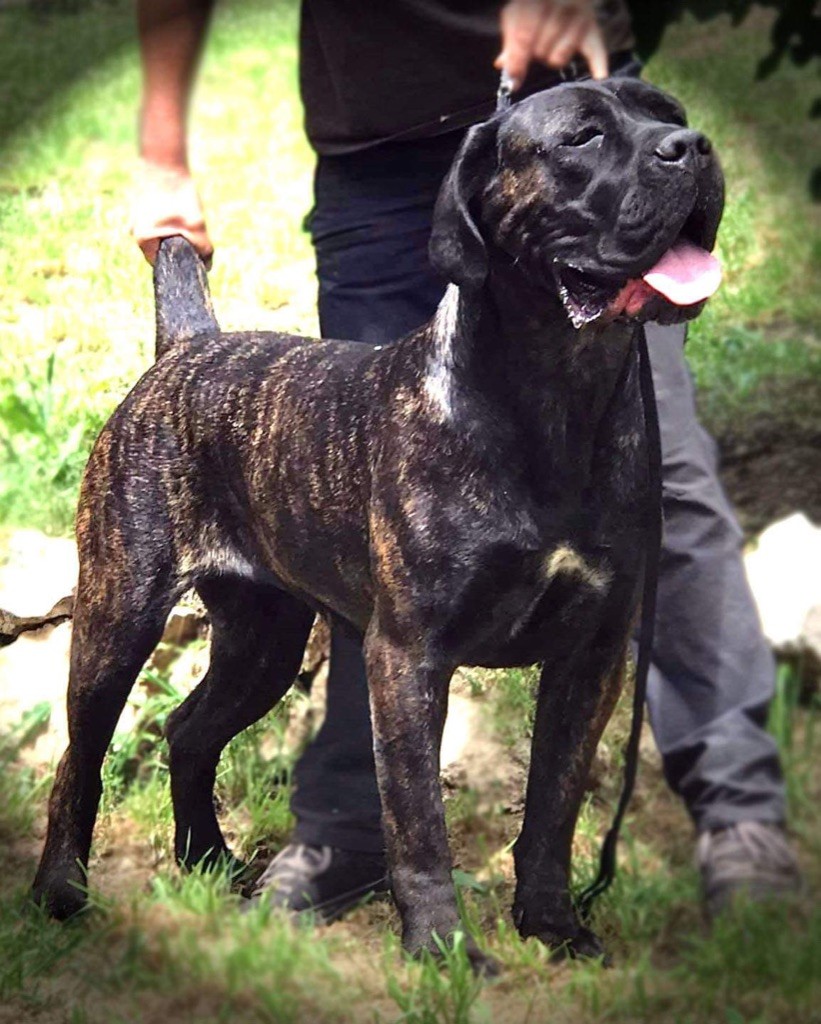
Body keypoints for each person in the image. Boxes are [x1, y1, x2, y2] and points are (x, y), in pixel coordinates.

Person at [133, 0, 800, 923]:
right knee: (363, 513)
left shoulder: (640, 141)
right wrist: (162, 149)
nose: (690, 140)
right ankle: (352, 829)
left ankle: (736, 809)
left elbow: (644, 132)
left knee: (665, 482)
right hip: (378, 146)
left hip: (581, 119)